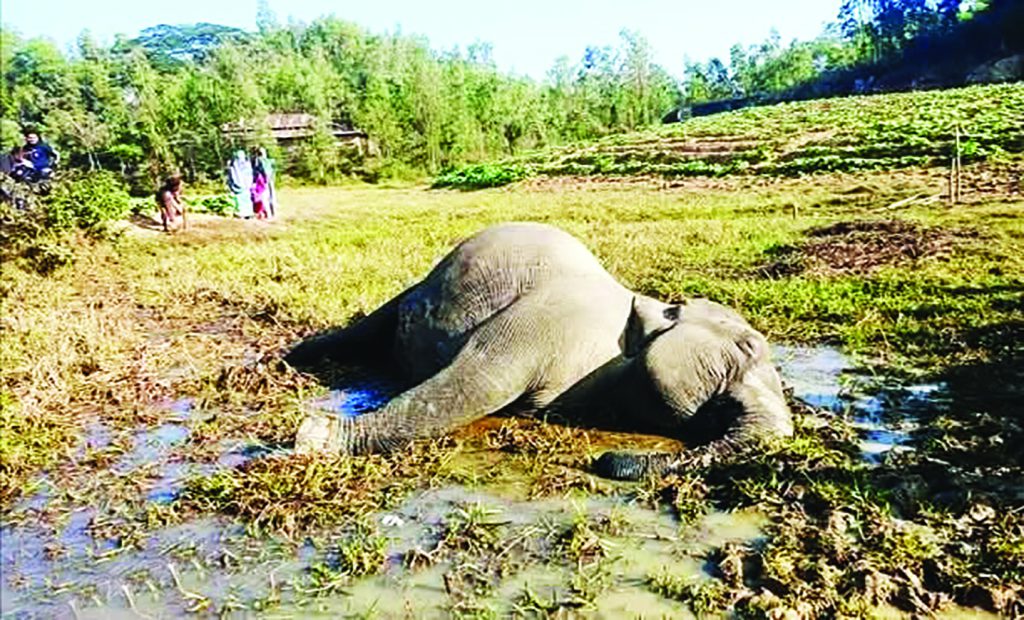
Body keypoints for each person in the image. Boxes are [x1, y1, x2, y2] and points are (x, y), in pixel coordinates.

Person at [227, 150, 253, 218]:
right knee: (247, 199)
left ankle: (242, 212)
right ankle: (248, 212)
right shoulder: (247, 164)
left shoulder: (235, 164)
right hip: (247, 186)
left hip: (240, 187)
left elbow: (233, 174)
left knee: (240, 200)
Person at [253, 146, 277, 218]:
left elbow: (257, 171)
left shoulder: (258, 161)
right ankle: (273, 213)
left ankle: (268, 213)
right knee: (272, 196)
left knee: (265, 197)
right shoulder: (270, 161)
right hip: (270, 180)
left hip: (263, 181)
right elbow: (273, 170)